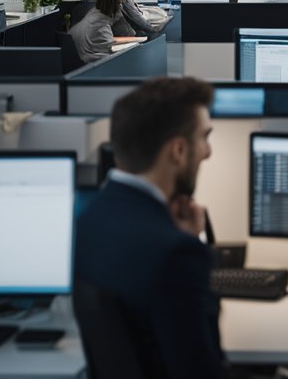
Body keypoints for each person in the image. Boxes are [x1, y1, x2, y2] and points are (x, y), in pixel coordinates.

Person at [74, 77, 223, 379]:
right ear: (178, 151)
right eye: (204, 137)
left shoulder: (88, 221)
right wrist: (196, 248)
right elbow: (205, 369)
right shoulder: (176, 255)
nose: (207, 152)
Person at [69, 0, 149, 63]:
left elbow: (112, 40)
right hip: (98, 69)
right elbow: (113, 43)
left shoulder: (95, 12)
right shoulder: (99, 23)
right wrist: (142, 39)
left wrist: (140, 39)